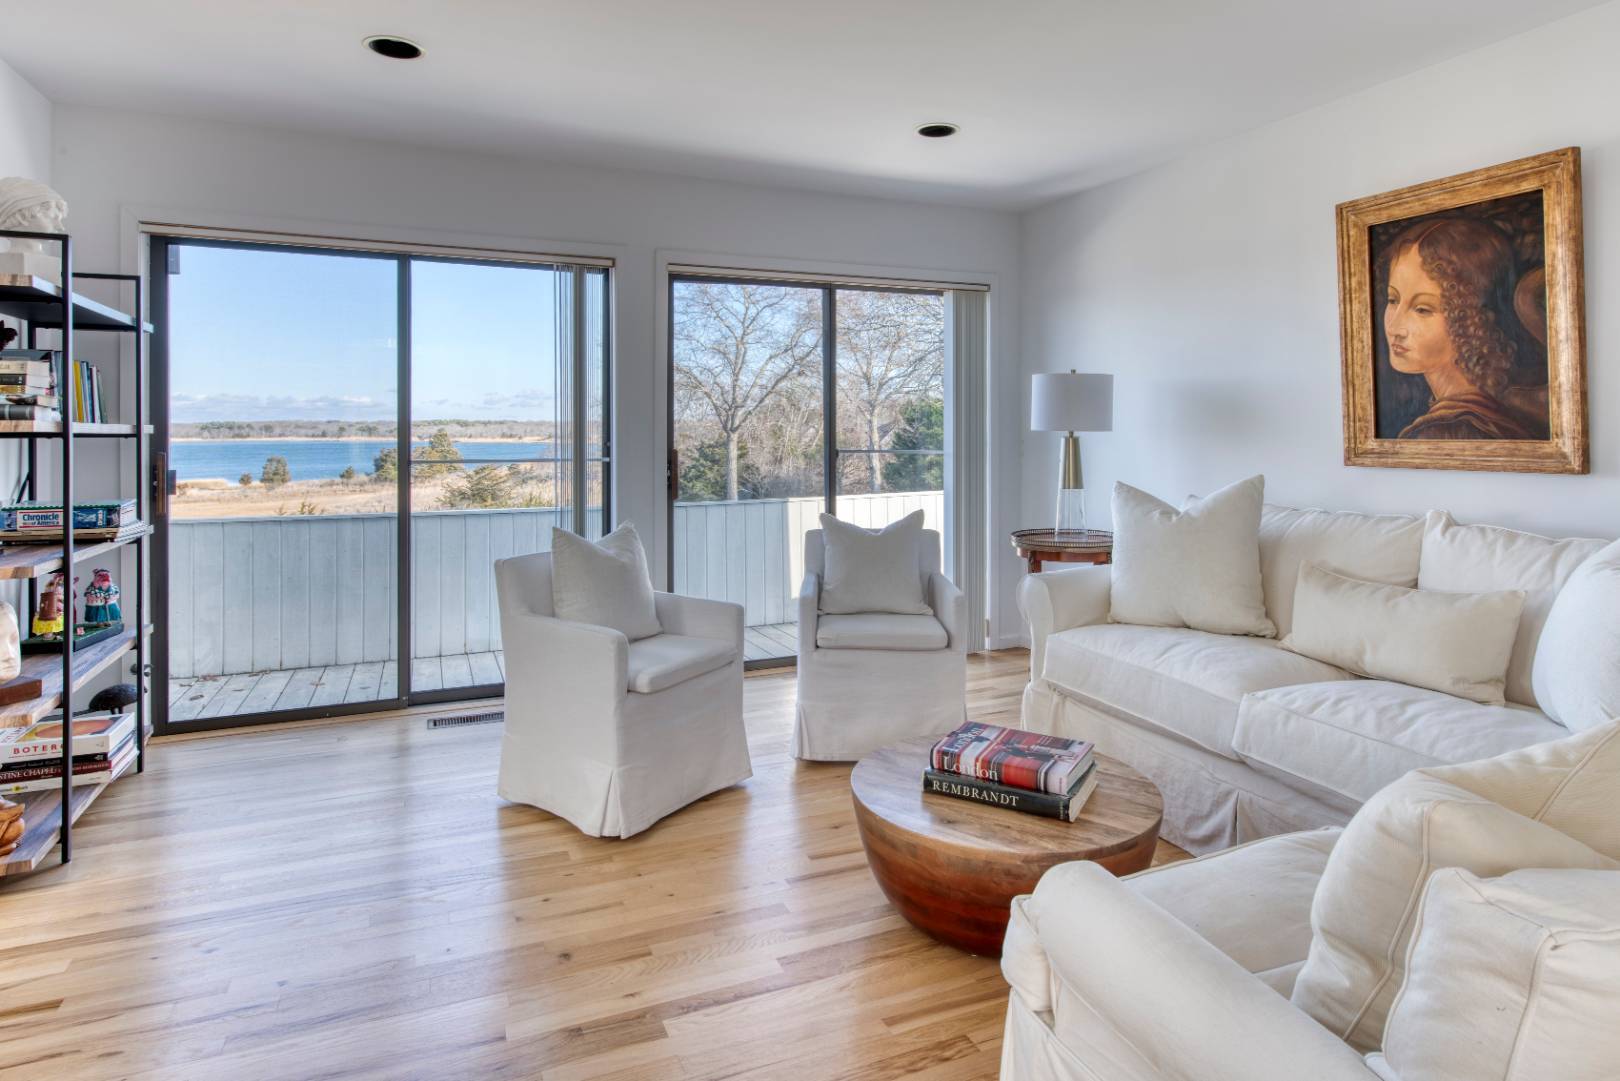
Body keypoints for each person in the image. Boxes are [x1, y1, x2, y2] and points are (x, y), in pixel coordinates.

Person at [1381, 216, 1549, 440]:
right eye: (1393, 300)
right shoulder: (1485, 415)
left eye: (1422, 309)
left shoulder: (1446, 432)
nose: (1394, 327)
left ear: (1469, 318)